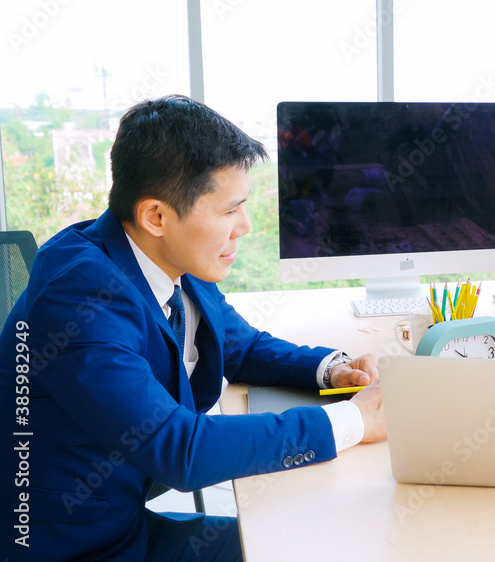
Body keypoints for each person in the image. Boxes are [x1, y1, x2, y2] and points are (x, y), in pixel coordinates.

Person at [0, 95, 387, 561]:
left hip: (126, 523)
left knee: (316, 536)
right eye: (229, 210)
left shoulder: (169, 257)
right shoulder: (80, 295)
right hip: (71, 547)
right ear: (156, 216)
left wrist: (332, 370)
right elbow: (181, 451)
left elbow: (240, 347)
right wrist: (353, 421)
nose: (244, 226)